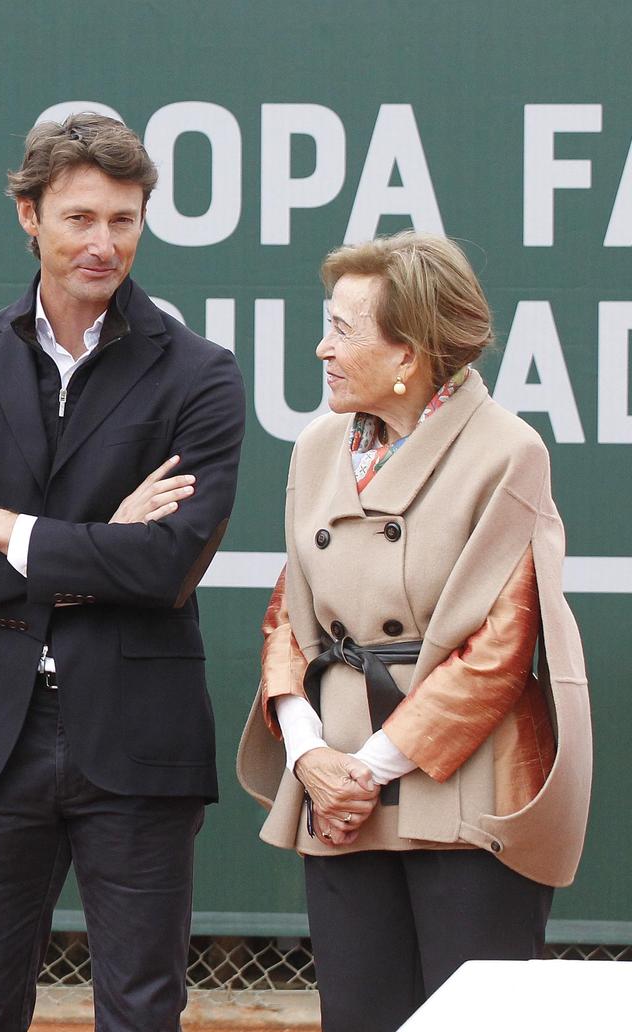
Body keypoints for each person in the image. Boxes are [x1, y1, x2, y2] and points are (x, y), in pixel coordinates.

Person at [0, 112, 245, 1032]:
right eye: (80, 218)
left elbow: (167, 565)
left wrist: (11, 531)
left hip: (139, 738)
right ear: (28, 215)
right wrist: (97, 542)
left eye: (124, 220)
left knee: (142, 1010)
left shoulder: (201, 375)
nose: (104, 243)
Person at [236, 231, 592, 1032]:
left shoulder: (509, 451)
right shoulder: (318, 447)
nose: (323, 347)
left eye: (345, 329)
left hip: (466, 793)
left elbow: (498, 653)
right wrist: (312, 758)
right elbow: (291, 620)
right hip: (335, 792)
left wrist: (366, 769)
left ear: (412, 350)